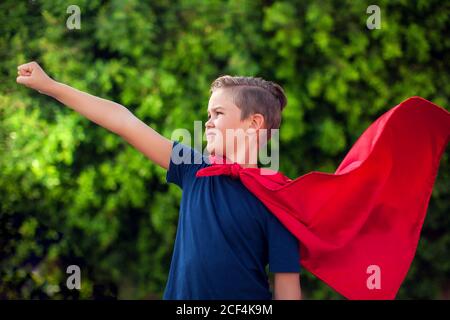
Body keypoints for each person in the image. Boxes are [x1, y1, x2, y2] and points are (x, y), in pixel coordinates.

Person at [16, 61, 302, 300]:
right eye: (208, 114)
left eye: (218, 113)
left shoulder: (279, 199)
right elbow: (123, 121)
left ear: (253, 124)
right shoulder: (194, 169)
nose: (208, 122)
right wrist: (50, 86)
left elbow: (287, 288)